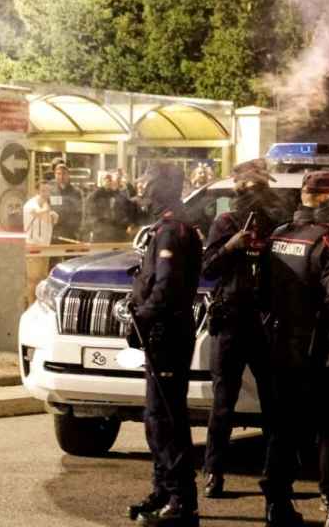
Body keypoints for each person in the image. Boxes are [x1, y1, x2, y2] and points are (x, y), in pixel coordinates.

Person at [263, 171, 329, 527]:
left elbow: (264, 292)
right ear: (326, 199)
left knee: (284, 428)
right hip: (322, 351)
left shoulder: (279, 236)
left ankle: (277, 506)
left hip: (281, 345)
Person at [200, 159, 289, 500]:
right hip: (232, 321)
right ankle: (214, 473)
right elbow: (208, 268)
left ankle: (275, 476)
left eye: (257, 187)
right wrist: (231, 246)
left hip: (265, 322)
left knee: (274, 404)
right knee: (223, 403)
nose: (251, 194)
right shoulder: (225, 222)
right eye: (246, 187)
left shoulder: (275, 224)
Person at [128, 164, 203, 526]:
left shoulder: (173, 231)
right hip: (163, 332)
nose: (142, 190)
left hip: (166, 332)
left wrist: (142, 315)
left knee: (167, 419)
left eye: (147, 184)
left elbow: (167, 287)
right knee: (156, 417)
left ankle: (181, 500)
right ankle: (163, 489)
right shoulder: (168, 227)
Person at [22, 181, 59, 305]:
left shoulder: (45, 205)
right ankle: (31, 305)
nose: (46, 194)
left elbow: (51, 221)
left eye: (48, 191)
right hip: (33, 246)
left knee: (43, 278)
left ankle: (39, 306)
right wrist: (49, 212)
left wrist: (53, 216)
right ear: (37, 191)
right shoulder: (31, 205)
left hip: (45, 247)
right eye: (43, 191)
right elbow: (39, 214)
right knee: (33, 279)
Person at [86, 172, 132, 242]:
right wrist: (99, 229)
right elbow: (90, 215)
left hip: (118, 234)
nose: (109, 182)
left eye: (110, 180)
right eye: (106, 179)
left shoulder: (119, 195)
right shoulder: (94, 196)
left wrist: (126, 225)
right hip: (101, 235)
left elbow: (125, 212)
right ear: (101, 181)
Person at [49, 161, 83, 243]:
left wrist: (78, 232)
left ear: (68, 175)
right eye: (58, 173)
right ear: (55, 175)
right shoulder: (50, 191)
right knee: (54, 255)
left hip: (71, 234)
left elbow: (80, 213)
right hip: (54, 234)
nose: (61, 176)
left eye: (64, 173)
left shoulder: (76, 192)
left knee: (72, 256)